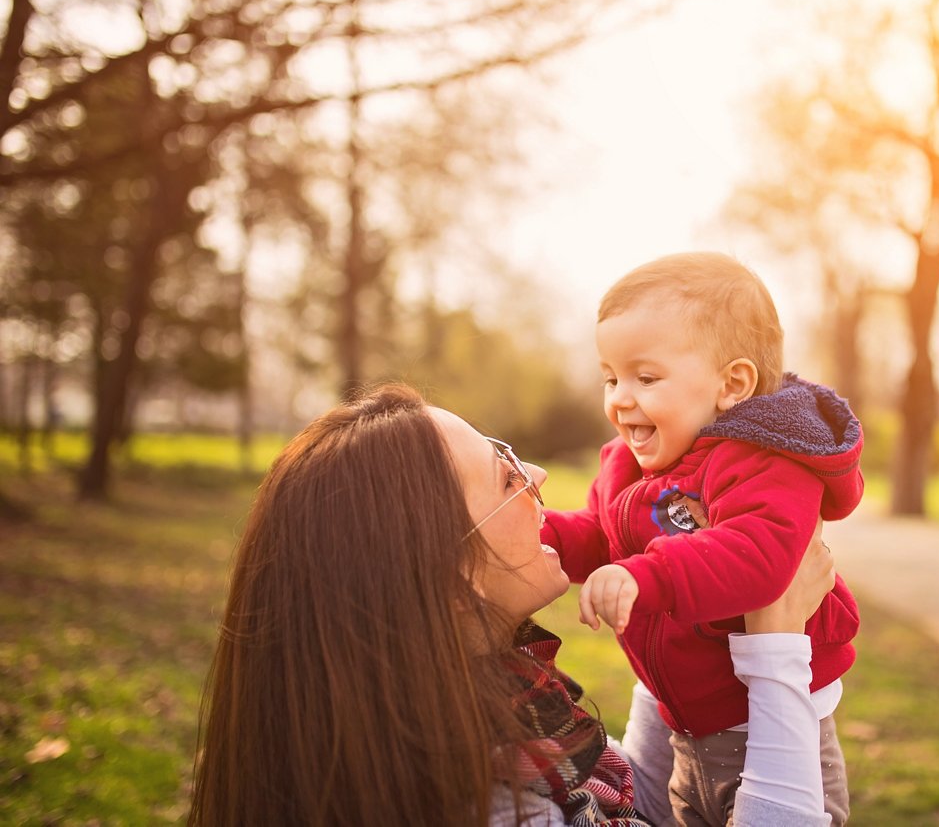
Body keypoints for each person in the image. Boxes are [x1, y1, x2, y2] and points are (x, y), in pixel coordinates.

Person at [188, 382, 839, 826]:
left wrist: (685, 614)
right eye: (505, 476)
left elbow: (641, 800)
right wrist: (775, 651)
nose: (537, 477)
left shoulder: (486, 707)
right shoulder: (497, 809)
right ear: (446, 576)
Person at [541, 252, 864, 826]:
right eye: (610, 377)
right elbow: (598, 535)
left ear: (731, 384)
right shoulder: (625, 465)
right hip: (686, 727)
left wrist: (647, 573)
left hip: (769, 724)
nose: (618, 397)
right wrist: (536, 535)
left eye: (645, 377)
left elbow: (755, 555)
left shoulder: (765, 462)